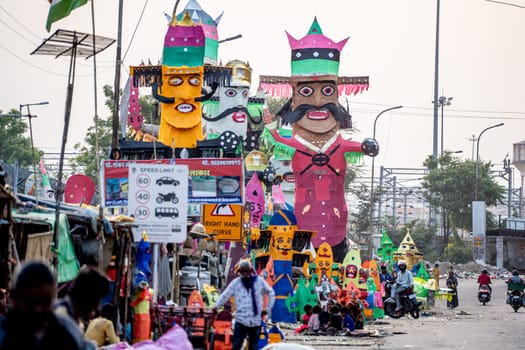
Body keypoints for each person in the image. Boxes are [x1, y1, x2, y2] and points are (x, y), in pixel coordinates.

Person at [0, 260, 94, 350]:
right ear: (13, 297)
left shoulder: (66, 334)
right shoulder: (3, 336)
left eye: (44, 301)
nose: (38, 308)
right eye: (30, 301)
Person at [214, 260, 275, 350]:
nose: (245, 274)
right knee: (236, 345)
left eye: (247, 271)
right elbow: (225, 296)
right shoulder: (236, 283)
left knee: (253, 347)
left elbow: (271, 293)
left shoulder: (259, 282)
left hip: (255, 320)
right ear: (240, 272)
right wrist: (215, 307)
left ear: (251, 271)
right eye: (243, 272)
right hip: (241, 320)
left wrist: (267, 310)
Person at [54, 267, 111, 333]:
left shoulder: (75, 320)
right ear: (87, 297)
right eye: (97, 299)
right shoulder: (61, 318)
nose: (98, 306)